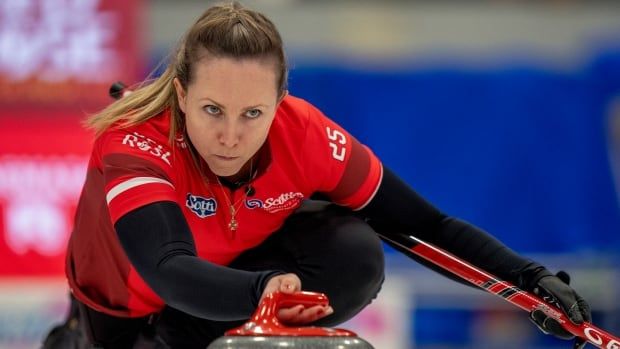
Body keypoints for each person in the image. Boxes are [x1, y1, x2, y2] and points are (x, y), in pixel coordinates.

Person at [42, 2, 591, 348]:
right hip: (118, 309)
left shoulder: (306, 136)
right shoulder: (137, 139)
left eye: (252, 114)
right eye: (212, 110)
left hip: (212, 304)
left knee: (353, 249)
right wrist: (264, 292)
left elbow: (424, 228)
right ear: (182, 94)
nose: (230, 136)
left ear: (280, 102)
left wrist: (529, 280)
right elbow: (166, 267)